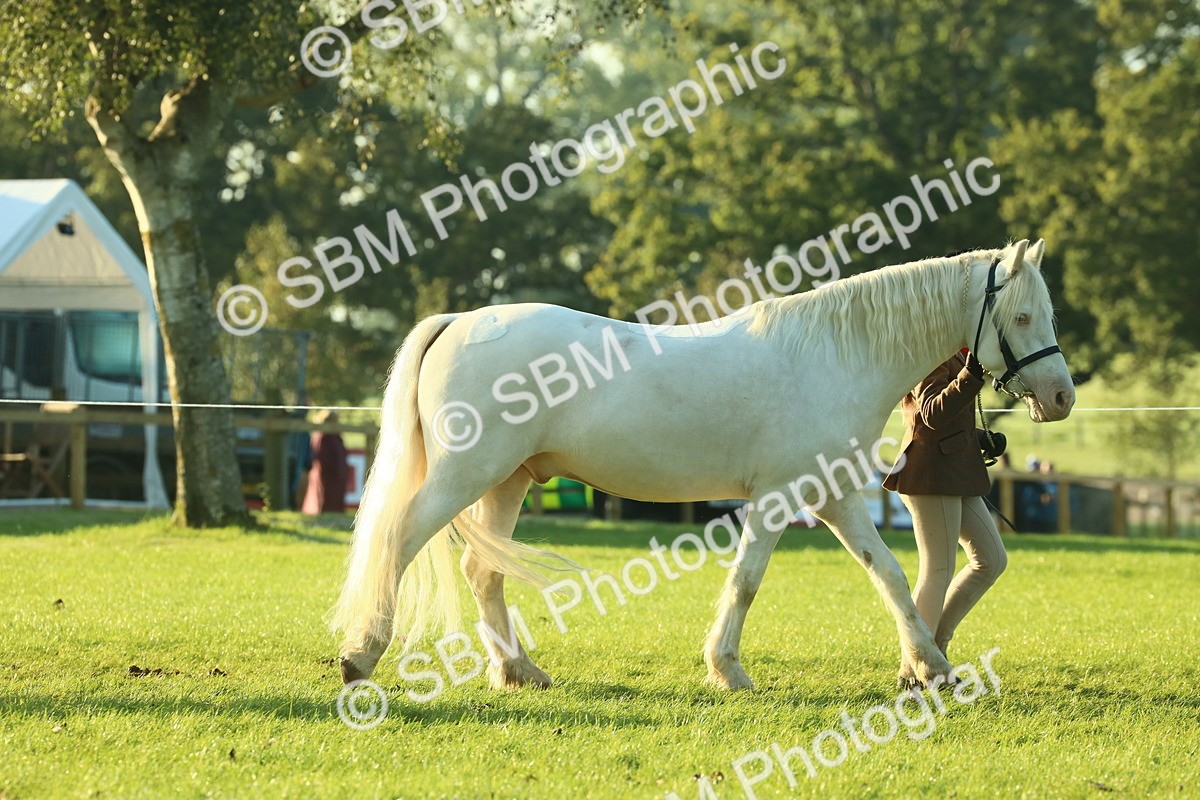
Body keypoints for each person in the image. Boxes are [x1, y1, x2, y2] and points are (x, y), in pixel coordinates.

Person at [883, 349, 1008, 686]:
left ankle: (935, 647)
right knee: (937, 569)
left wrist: (981, 438)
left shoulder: (959, 353)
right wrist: (970, 376)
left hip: (955, 470)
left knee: (992, 559)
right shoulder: (933, 353)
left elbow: (946, 421)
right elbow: (932, 414)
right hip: (929, 471)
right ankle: (915, 670)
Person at [301, 409, 349, 515]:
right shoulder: (324, 436)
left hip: (334, 474)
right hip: (327, 474)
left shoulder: (330, 435)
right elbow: (322, 456)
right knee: (324, 497)